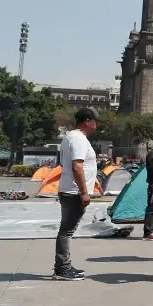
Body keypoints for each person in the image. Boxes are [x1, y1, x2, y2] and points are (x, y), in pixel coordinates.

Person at [53, 107, 101, 281]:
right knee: (66, 231)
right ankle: (62, 268)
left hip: (70, 189)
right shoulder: (79, 139)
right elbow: (77, 166)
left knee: (66, 230)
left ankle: (64, 265)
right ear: (87, 121)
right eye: (96, 120)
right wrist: (84, 192)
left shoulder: (71, 137)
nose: (97, 124)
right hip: (74, 192)